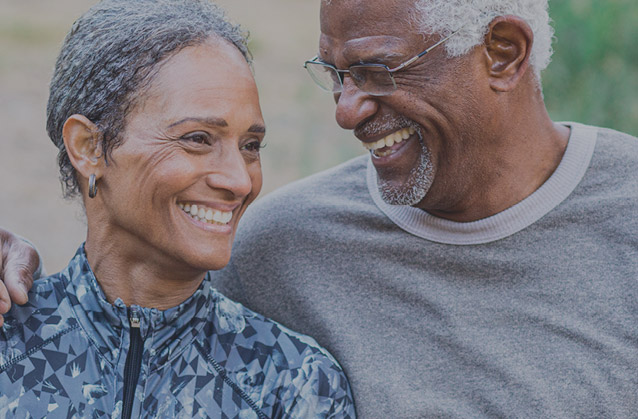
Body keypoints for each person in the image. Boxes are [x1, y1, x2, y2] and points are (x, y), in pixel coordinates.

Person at [2, 0, 637, 417]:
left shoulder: (295, 383)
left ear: (503, 52)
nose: (343, 111)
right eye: (334, 75)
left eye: (377, 71)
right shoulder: (283, 242)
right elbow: (134, 298)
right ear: (87, 145)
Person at [0, 1, 355, 418]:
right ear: (89, 147)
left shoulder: (293, 385)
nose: (240, 180)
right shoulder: (9, 341)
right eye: (198, 139)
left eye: (250, 146)